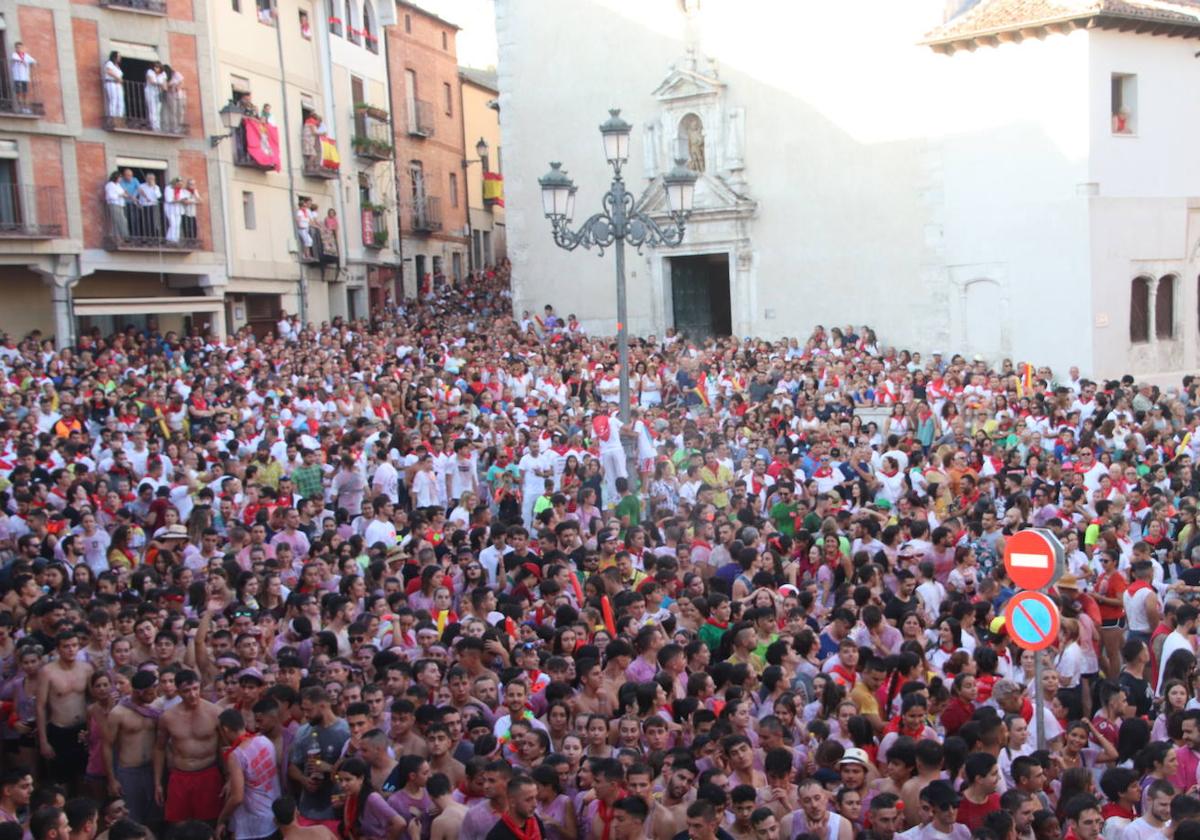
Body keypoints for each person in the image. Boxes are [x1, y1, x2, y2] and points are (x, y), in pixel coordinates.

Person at [154, 669, 222, 824]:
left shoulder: (215, 712)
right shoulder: (168, 717)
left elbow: (225, 748)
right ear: (178, 692)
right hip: (180, 776)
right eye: (186, 691)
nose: (192, 694)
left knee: (208, 824)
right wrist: (157, 783)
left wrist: (230, 778)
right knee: (178, 826)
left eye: (195, 689)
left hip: (208, 775)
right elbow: (159, 748)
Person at [36, 631, 94, 791]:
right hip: (59, 730)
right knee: (61, 782)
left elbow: (94, 700)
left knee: (85, 778)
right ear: (58, 649)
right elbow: (40, 706)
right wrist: (43, 741)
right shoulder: (47, 672)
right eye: (66, 646)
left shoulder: (87, 669)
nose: (71, 649)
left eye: (74, 645)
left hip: (82, 730)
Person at [102, 671, 160, 826]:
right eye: (150, 692)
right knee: (132, 819)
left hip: (152, 771)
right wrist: (112, 779)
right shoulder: (118, 713)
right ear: (138, 692)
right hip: (129, 772)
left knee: (154, 817)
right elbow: (107, 746)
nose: (154, 694)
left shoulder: (154, 711)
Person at [217, 707, 281, 840]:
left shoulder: (237, 755)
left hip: (256, 824)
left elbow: (237, 798)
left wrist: (222, 819)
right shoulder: (264, 740)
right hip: (274, 815)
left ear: (226, 729)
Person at [9, 43, 35, 113]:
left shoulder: (26, 56)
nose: (18, 49)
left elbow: (33, 61)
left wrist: (31, 63)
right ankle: (19, 107)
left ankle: (25, 108)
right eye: (17, 47)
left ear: (22, 48)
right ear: (15, 48)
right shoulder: (14, 54)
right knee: (18, 93)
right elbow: (16, 59)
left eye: (20, 47)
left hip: (25, 78)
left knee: (25, 93)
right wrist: (23, 62)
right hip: (17, 77)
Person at [102, 52, 124, 119]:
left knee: (120, 101)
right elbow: (109, 71)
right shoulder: (109, 63)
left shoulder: (117, 66)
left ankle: (119, 118)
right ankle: (112, 118)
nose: (120, 58)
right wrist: (118, 78)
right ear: (114, 57)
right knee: (113, 100)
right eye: (118, 56)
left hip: (118, 85)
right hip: (111, 83)